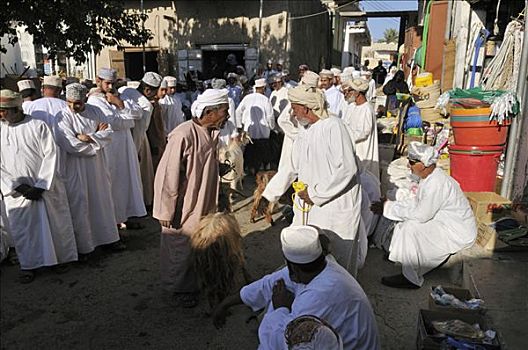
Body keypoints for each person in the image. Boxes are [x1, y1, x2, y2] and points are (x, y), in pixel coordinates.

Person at [212, 226, 380, 350]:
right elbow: (267, 284)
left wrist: (281, 309)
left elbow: (282, 343)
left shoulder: (319, 296)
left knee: (276, 308)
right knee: (278, 292)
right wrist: (225, 304)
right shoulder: (318, 267)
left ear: (294, 267)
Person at [153, 89, 229, 308]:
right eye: (224, 111)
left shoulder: (212, 133)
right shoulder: (183, 134)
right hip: (185, 204)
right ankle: (179, 289)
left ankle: (196, 283)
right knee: (181, 244)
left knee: (202, 241)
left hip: (204, 201)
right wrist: (166, 210)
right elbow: (168, 174)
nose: (227, 116)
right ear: (210, 111)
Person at [371, 142, 477, 289]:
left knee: (409, 227)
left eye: (412, 162)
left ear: (424, 164)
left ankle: (411, 278)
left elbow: (421, 215)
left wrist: (388, 208)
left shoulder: (436, 183)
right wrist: (389, 206)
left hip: (457, 232)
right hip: (444, 223)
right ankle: (405, 260)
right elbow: (415, 204)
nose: (409, 166)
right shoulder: (429, 179)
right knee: (403, 223)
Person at [0, 89, 77, 283]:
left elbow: (51, 155)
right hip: (18, 193)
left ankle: (60, 260)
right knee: (24, 229)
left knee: (55, 225)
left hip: (45, 188)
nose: (1, 114)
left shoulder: (38, 125)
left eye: (4, 110)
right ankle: (29, 265)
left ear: (17, 108)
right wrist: (17, 186)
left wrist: (41, 185)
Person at [287, 85, 364, 273]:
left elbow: (347, 168)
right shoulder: (307, 129)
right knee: (307, 250)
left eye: (294, 107)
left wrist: (315, 194)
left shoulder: (334, 126)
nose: (292, 112)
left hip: (336, 205)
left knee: (337, 256)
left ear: (306, 108)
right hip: (310, 203)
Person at [56, 83, 126, 255]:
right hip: (75, 167)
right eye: (69, 102)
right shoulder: (62, 116)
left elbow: (108, 133)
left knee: (102, 199)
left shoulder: (95, 111)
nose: (73, 107)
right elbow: (70, 144)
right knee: (80, 202)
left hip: (98, 167)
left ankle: (108, 239)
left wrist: (89, 137)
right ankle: (84, 247)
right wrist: (95, 142)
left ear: (85, 99)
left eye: (77, 103)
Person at [87, 68, 147, 229]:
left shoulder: (119, 97)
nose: (110, 87)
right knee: (112, 183)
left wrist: (119, 103)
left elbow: (138, 113)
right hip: (110, 147)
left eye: (113, 84)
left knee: (126, 180)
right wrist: (127, 118)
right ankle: (113, 221)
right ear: (98, 80)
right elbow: (112, 122)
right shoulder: (95, 101)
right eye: (107, 83)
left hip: (125, 145)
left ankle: (125, 216)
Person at [262, 71, 319, 204]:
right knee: (293, 171)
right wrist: (298, 135)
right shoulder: (297, 96)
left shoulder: (316, 100)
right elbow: (283, 120)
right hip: (295, 140)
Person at [120, 72, 162, 208]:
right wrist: (135, 151)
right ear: (147, 90)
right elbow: (140, 131)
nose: (156, 96)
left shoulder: (125, 91)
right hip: (137, 143)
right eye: (154, 92)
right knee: (140, 175)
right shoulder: (146, 105)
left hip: (120, 140)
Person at [342, 78, 379, 179]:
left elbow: (363, 132)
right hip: (350, 147)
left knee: (364, 177)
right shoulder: (352, 106)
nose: (347, 93)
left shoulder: (367, 109)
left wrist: (345, 137)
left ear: (357, 93)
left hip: (362, 149)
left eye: (350, 91)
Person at [236, 78, 275, 174]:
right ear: (263, 88)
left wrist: (240, 125)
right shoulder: (266, 99)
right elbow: (270, 116)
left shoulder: (247, 98)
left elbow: (238, 111)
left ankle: (250, 168)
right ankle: (263, 168)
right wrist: (272, 127)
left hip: (249, 130)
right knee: (263, 150)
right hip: (263, 131)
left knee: (250, 150)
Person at [211, 78, 238, 147]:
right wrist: (234, 134)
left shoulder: (210, 99)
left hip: (212, 133)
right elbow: (231, 119)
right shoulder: (229, 100)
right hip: (224, 132)